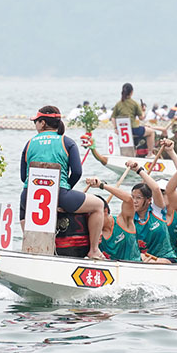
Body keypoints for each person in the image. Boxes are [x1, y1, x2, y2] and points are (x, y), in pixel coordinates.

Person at [19, 106, 105, 259]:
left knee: (22, 209)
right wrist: (65, 192)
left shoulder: (29, 143)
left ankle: (31, 248)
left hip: (30, 196)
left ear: (43, 123)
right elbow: (77, 172)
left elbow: (23, 177)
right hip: (61, 195)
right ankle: (94, 250)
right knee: (99, 205)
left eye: (36, 122)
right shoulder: (67, 142)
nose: (35, 125)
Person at [124, 161, 177, 262]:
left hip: (166, 258)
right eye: (132, 197)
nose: (134, 202)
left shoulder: (157, 211)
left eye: (138, 198)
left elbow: (156, 189)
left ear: (149, 200)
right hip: (142, 259)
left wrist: (138, 170)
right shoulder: (129, 218)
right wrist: (102, 185)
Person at [84, 177, 141, 262]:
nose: (91, 220)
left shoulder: (123, 221)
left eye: (93, 215)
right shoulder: (93, 235)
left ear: (105, 211)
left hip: (135, 268)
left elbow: (128, 199)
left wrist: (101, 185)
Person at [111, 82, 155, 154]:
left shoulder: (118, 104)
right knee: (151, 132)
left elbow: (113, 118)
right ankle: (150, 153)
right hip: (134, 129)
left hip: (122, 130)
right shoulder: (134, 103)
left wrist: (115, 128)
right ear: (131, 92)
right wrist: (143, 111)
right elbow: (141, 118)